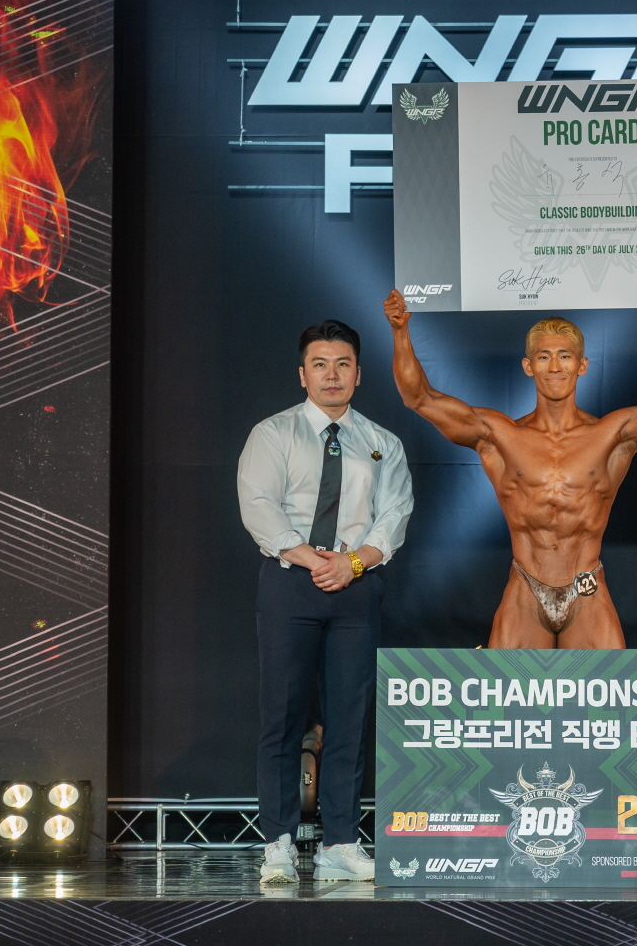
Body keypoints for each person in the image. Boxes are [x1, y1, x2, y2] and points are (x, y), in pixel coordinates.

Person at [384, 283, 637, 647]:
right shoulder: (499, 435)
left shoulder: (612, 435)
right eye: (544, 356)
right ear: (528, 365)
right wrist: (400, 330)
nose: (554, 366)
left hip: (586, 587)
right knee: (507, 687)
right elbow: (419, 398)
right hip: (525, 587)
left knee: (609, 687)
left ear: (582, 365)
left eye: (565, 356)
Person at [238, 318, 414, 885]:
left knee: (349, 719)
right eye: (320, 364)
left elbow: (394, 515)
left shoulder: (382, 442)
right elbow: (259, 506)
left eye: (342, 364)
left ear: (358, 374)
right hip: (291, 580)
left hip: (355, 586)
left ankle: (341, 841)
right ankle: (279, 845)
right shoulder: (273, 434)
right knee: (282, 717)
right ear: (302, 374)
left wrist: (353, 563)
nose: (331, 374)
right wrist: (312, 559)